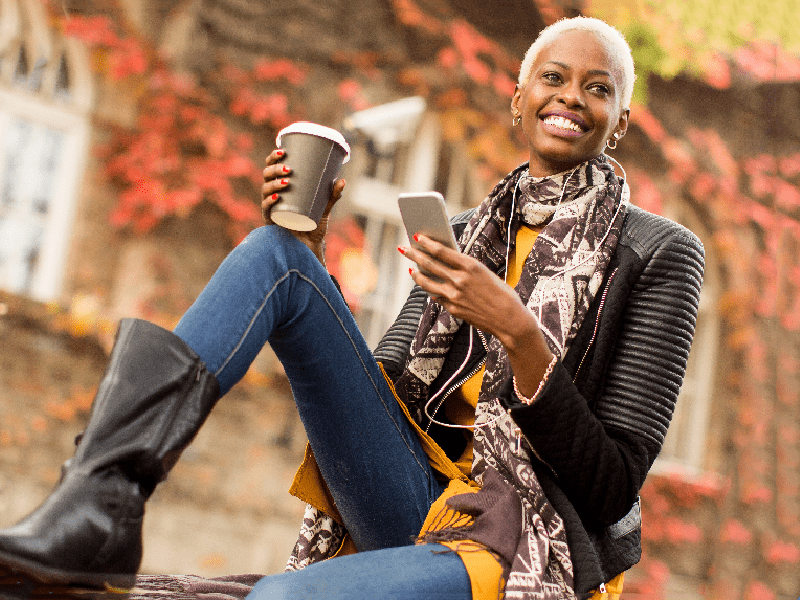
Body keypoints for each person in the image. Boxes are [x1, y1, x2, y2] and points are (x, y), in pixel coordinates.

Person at [0, 16, 703, 600]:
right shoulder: (468, 234)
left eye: (597, 88)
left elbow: (611, 488)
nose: (571, 97)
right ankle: (103, 501)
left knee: (283, 598)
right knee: (274, 254)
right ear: (518, 100)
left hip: (521, 536)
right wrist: (315, 252)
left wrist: (518, 334)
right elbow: (378, 394)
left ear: (621, 122)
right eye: (553, 78)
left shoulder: (660, 253)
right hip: (411, 496)